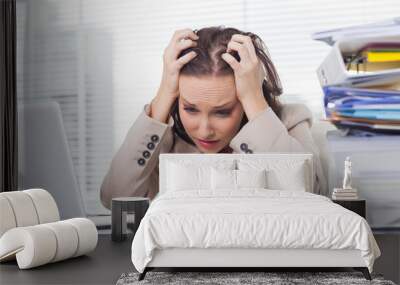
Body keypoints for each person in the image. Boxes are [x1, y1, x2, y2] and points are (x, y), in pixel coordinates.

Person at [100, 26, 327, 210]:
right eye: (190, 109)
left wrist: (254, 100)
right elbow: (115, 198)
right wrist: (164, 94)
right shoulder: (166, 138)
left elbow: (313, 195)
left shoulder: (289, 121)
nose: (204, 130)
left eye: (223, 111)